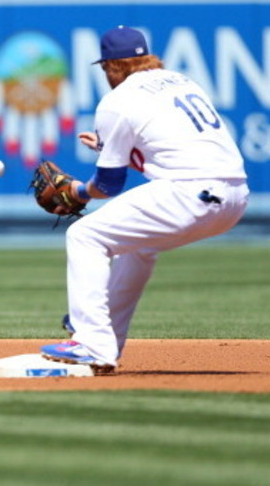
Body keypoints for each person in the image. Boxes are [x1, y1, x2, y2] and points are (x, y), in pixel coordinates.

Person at [39, 26, 249, 375]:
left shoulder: (117, 101)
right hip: (235, 196)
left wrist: (76, 192)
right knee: (138, 248)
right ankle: (106, 339)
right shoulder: (180, 81)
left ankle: (91, 341)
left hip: (189, 191)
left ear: (109, 67)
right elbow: (166, 141)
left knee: (84, 235)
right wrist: (108, 146)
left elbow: (108, 185)